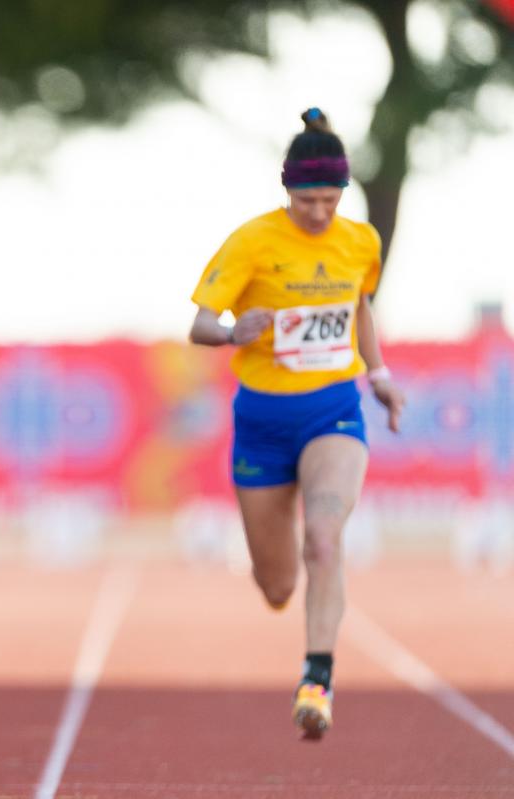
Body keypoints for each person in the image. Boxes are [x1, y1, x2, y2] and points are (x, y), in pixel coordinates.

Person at [188, 108, 405, 740]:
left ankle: (317, 678)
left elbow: (360, 307)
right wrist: (233, 332)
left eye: (330, 199)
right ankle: (284, 594)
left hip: (332, 408)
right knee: (278, 584)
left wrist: (381, 374)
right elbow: (199, 324)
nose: (319, 212)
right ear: (288, 191)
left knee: (324, 538)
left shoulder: (360, 241)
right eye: (307, 199)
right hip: (262, 420)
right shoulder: (252, 241)